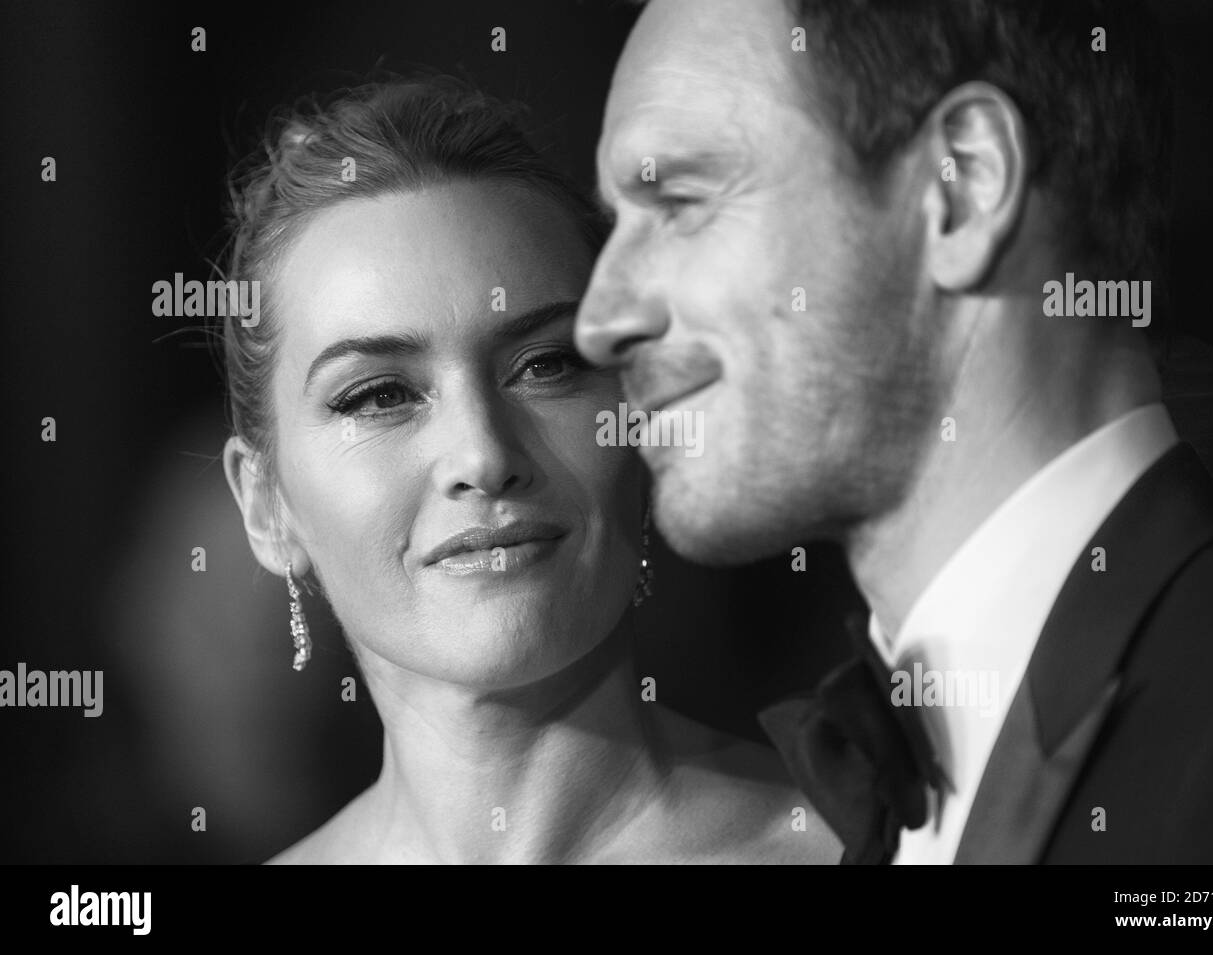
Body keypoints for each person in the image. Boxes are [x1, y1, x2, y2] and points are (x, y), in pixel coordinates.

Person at [576, 0, 1213, 863]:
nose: (599, 320)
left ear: (962, 186)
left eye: (681, 201)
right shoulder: (891, 775)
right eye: (615, 224)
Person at [219, 75, 839, 864]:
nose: (483, 454)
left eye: (545, 364)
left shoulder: (881, 848)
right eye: (379, 395)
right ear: (266, 504)